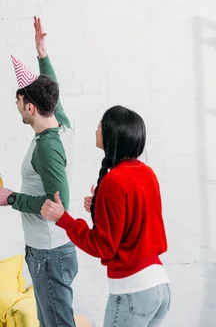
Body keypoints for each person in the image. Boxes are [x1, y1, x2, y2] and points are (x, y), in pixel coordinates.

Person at [41, 105, 171, 327]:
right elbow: (135, 221)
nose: (96, 129)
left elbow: (104, 246)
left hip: (133, 291)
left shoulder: (114, 180)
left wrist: (64, 219)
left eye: (100, 125)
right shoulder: (147, 173)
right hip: (160, 288)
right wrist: (99, 208)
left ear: (113, 134)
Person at [0, 17, 78, 327]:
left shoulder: (46, 148)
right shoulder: (59, 122)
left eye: (19, 100)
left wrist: (12, 198)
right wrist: (42, 53)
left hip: (49, 253)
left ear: (29, 108)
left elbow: (57, 205)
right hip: (48, 250)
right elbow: (53, 89)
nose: (16, 104)